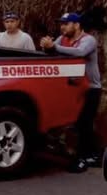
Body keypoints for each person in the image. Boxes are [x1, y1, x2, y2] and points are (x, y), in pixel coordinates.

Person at [40, 12, 102, 172]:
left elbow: (80, 52)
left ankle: (88, 156)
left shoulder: (89, 40)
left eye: (66, 24)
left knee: (85, 122)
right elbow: (53, 51)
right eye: (61, 24)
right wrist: (46, 46)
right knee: (75, 122)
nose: (62, 27)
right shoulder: (62, 39)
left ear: (77, 25)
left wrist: (54, 46)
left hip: (91, 88)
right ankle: (86, 154)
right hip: (71, 88)